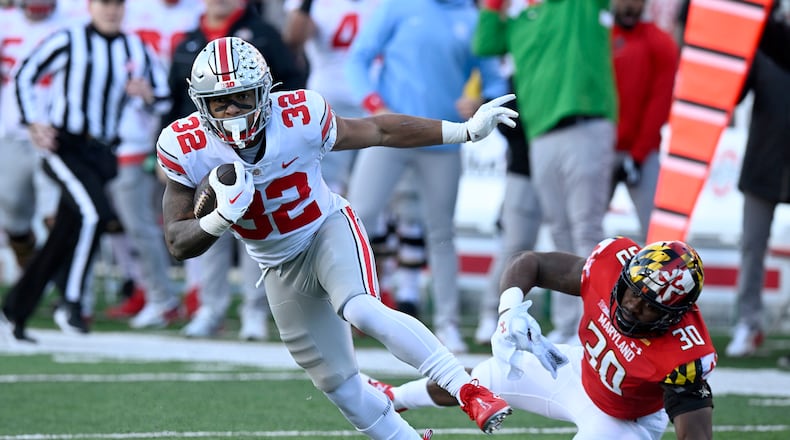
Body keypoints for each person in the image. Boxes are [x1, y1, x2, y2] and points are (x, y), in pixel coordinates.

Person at [156, 36, 517, 438]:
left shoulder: (300, 115)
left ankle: (467, 389)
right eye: (221, 103)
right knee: (340, 386)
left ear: (265, 91)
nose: (233, 112)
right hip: (276, 264)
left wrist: (464, 131)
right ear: (200, 104)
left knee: (361, 309)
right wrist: (220, 218)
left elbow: (379, 130)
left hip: (326, 229)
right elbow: (177, 241)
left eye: (243, 98)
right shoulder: (185, 145)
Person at [369, 236, 717, 439]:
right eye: (632, 292)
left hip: (626, 420)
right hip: (578, 370)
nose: (632, 306)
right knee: (480, 379)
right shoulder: (609, 266)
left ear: (674, 314)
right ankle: (392, 397)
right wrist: (510, 311)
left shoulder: (683, 354)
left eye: (649, 307)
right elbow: (530, 262)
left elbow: (696, 433)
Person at [345, 0, 509, 353]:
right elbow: (359, 57)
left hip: (443, 139)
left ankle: (447, 323)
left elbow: (495, 80)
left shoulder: (471, 17)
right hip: (389, 134)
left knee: (441, 232)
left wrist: (481, 101)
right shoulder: (398, 6)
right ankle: (341, 311)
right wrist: (373, 105)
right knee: (355, 218)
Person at [1, 0, 170, 341]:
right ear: (91, 7)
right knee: (95, 215)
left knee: (64, 233)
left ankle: (15, 310)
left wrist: (147, 95)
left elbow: (163, 98)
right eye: (105, 3)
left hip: (103, 153)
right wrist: (33, 122)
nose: (112, 10)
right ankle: (72, 303)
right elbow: (24, 73)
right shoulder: (69, 38)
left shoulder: (135, 47)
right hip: (66, 146)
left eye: (118, 4)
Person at [474, 0, 618, 345]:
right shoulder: (521, 20)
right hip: (540, 134)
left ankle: (599, 325)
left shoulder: (576, 7)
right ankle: (570, 326)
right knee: (560, 231)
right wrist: (493, 4)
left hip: (584, 124)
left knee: (585, 229)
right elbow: (484, 43)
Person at [165, 0, 303, 338]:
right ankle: (211, 308)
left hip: (258, 147)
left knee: (256, 228)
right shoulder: (189, 41)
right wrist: (170, 158)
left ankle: (254, 311)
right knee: (207, 226)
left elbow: (291, 85)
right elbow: (176, 100)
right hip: (207, 148)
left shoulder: (263, 35)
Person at [725, 3, 790, 358]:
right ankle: (748, 322)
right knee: (752, 246)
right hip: (763, 163)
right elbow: (732, 95)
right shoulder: (764, 46)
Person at [610, 0, 678, 241]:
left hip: (644, 152)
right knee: (583, 228)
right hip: (602, 148)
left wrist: (637, 156)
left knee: (658, 236)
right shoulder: (600, 38)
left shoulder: (661, 43)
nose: (629, 6)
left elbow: (660, 105)